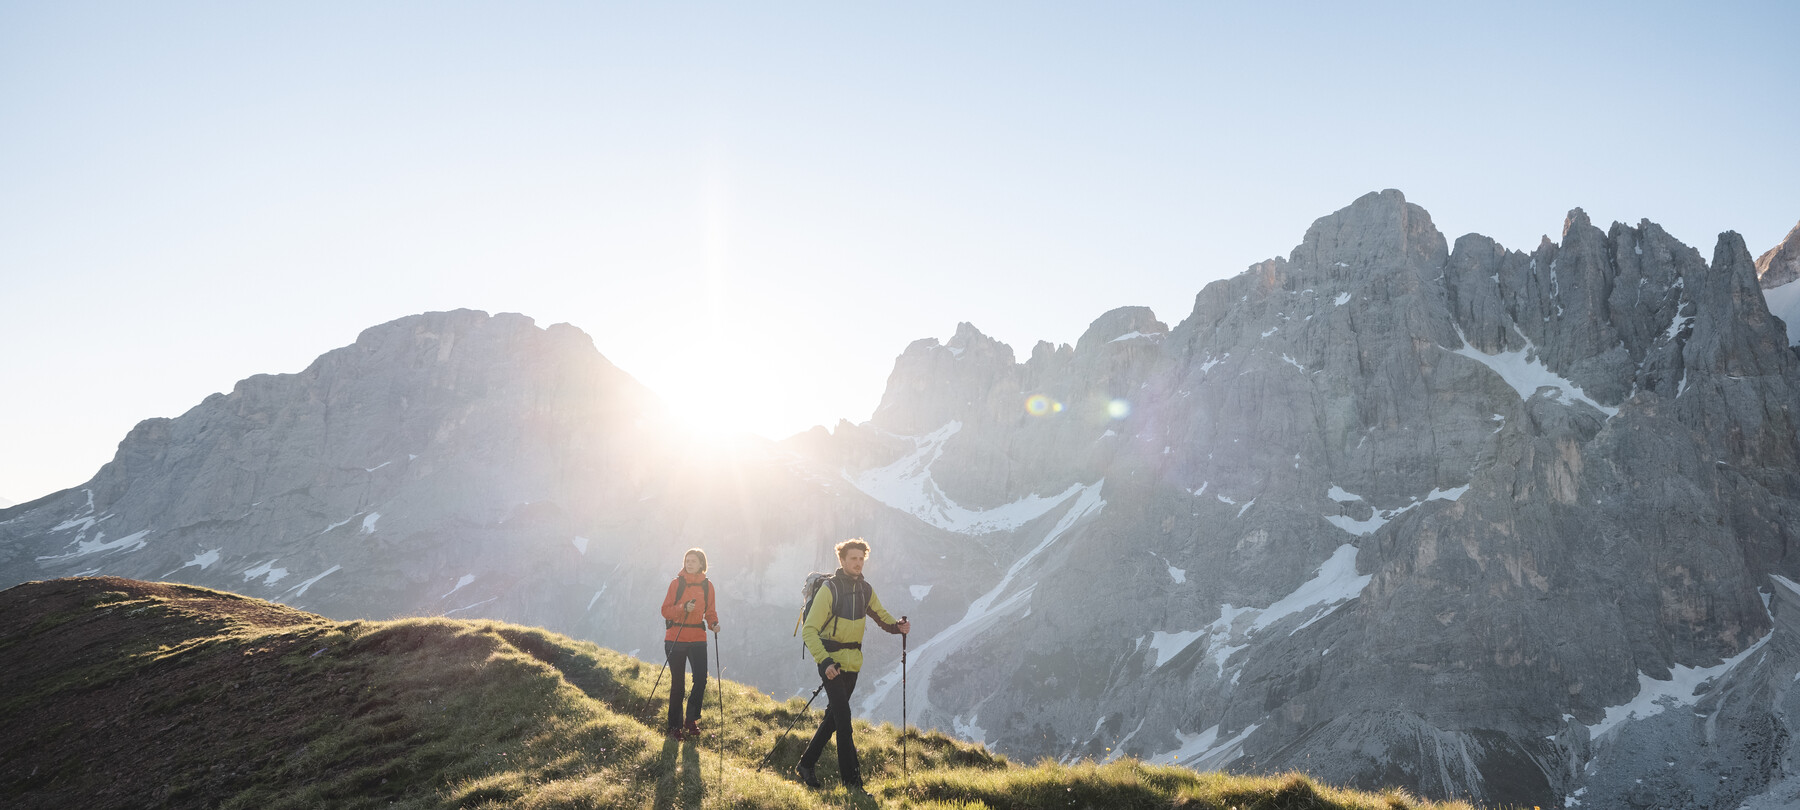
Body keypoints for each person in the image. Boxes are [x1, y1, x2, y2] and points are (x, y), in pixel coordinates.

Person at [796, 538, 910, 792]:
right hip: (831, 663)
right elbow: (809, 630)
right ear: (842, 560)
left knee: (833, 719)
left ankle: (805, 764)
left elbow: (881, 616)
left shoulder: (865, 590)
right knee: (844, 721)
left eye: (861, 558)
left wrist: (898, 626)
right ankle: (853, 784)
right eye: (853, 559)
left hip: (853, 664)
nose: (858, 563)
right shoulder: (830, 589)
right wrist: (825, 661)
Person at [659, 547, 720, 740]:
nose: (689, 564)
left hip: (698, 639)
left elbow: (710, 611)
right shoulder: (676, 584)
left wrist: (713, 624)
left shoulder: (707, 586)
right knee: (678, 684)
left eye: (693, 561)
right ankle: (674, 727)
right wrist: (683, 608)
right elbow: (665, 610)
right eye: (687, 561)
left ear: (702, 564)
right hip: (675, 638)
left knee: (701, 679)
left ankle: (691, 719)